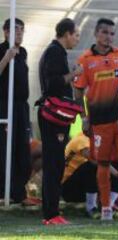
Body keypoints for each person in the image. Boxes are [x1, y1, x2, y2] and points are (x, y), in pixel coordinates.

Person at [74, 18, 118, 221]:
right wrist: (84, 117)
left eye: (112, 33)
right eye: (105, 32)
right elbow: (78, 91)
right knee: (103, 164)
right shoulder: (85, 59)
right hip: (99, 121)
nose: (109, 37)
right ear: (96, 34)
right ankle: (106, 208)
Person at [38, 18, 82, 225]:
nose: (77, 39)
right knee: (54, 164)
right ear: (66, 33)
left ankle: (52, 212)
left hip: (56, 117)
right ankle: (51, 214)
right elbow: (52, 83)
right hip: (52, 116)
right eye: (76, 34)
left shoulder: (56, 52)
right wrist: (73, 74)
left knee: (56, 163)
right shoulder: (54, 52)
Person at [0, 18, 32, 205]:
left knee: (22, 149)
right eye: (15, 30)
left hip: (21, 107)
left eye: (22, 30)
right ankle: (5, 192)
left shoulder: (24, 52)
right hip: (5, 105)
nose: (19, 33)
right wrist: (6, 57)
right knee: (6, 149)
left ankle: (19, 192)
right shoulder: (3, 49)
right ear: (6, 32)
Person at [61, 133, 118, 219]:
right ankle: (91, 208)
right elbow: (95, 160)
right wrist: (117, 174)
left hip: (84, 186)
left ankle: (108, 206)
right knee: (90, 166)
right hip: (69, 189)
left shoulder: (98, 139)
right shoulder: (81, 139)